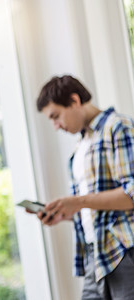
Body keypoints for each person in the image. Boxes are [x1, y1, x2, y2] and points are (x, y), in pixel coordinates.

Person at [35, 75, 134, 299]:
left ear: (74, 100)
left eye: (56, 116)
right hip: (94, 254)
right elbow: (97, 207)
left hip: (123, 250)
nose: (56, 126)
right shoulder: (81, 144)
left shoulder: (117, 127)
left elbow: (131, 194)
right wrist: (66, 213)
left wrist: (78, 202)